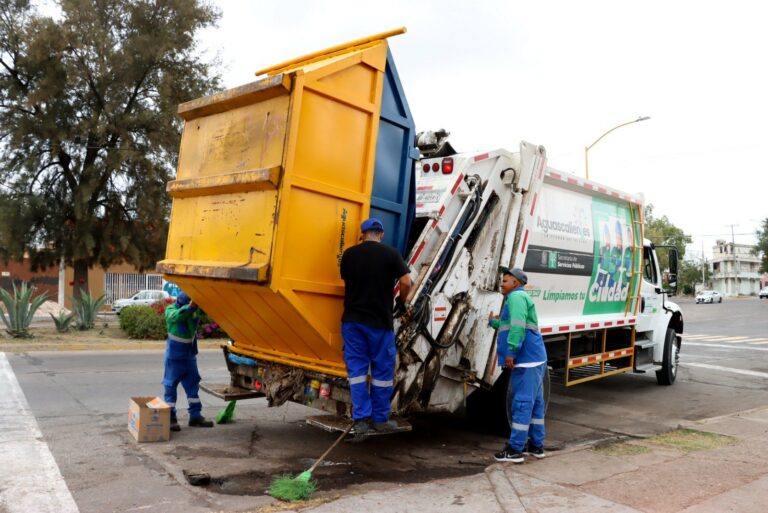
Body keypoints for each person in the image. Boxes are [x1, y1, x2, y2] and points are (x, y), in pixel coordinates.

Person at [340, 217, 412, 435]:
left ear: (363, 234)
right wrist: (402, 301)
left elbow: (346, 279)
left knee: (357, 372)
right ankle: (380, 419)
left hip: (352, 322)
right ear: (381, 234)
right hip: (379, 322)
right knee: (381, 373)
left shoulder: (349, 255)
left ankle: (361, 419)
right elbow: (407, 282)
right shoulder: (391, 254)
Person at [489, 267, 548, 463]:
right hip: (536, 358)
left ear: (515, 283)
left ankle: (515, 450)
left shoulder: (515, 298)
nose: (501, 283)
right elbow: (510, 324)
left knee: (522, 404)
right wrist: (494, 323)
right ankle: (536, 446)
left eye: (505, 280)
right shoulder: (520, 298)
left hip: (526, 360)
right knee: (535, 405)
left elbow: (518, 326)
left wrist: (511, 352)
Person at [163, 291, 213, 431]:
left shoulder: (194, 312)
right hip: (174, 357)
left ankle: (195, 416)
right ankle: (170, 418)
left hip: (189, 356)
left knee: (192, 386)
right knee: (170, 386)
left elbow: (206, 312)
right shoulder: (171, 310)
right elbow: (177, 317)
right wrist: (190, 308)